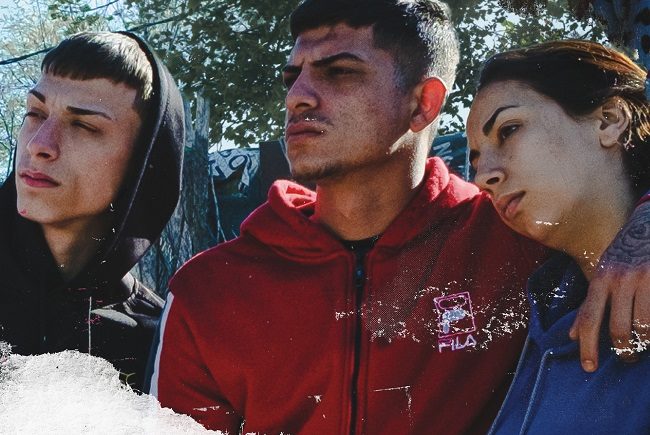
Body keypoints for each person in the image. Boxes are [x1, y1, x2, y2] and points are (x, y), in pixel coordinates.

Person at [149, 1, 650, 433]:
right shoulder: (209, 291)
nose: (297, 96)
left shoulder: (514, 232)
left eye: (339, 71)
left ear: (423, 103)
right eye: (292, 76)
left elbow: (604, 182)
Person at [467, 40, 650, 433]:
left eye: (508, 130)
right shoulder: (533, 325)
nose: (483, 178)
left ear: (608, 121)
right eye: (476, 159)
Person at [0, 31, 185, 391]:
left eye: (83, 125)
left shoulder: (160, 344)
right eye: (35, 112)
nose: (39, 144)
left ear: (144, 163)